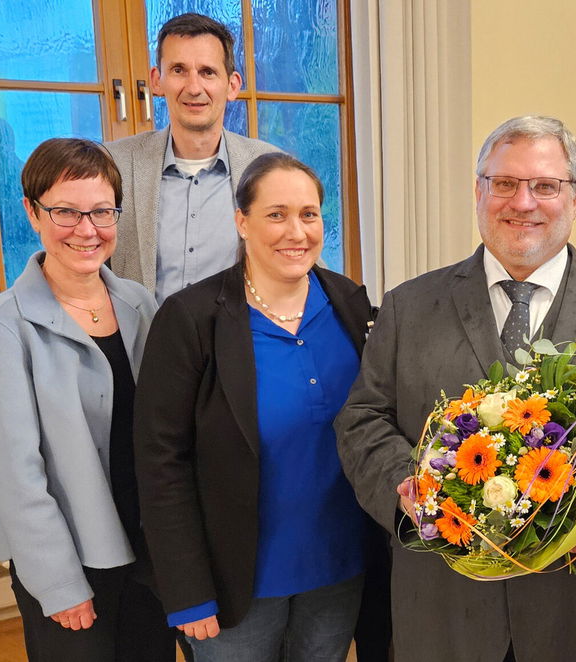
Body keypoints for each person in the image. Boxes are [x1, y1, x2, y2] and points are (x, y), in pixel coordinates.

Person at [336, 115, 576, 662]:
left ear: (575, 197)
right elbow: (363, 418)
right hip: (445, 605)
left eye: (545, 186)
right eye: (504, 183)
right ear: (478, 191)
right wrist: (407, 490)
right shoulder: (408, 307)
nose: (522, 202)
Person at [134, 152, 376, 659]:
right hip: (235, 581)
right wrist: (187, 590)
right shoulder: (190, 319)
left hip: (338, 568)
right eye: (276, 214)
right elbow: (161, 463)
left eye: (309, 214)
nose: (297, 231)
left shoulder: (350, 303)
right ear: (241, 221)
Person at [0, 138, 176, 661]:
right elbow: (14, 478)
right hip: (75, 563)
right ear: (32, 212)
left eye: (102, 212)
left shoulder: (140, 305)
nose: (87, 229)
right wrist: (58, 583)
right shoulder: (0, 331)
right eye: (66, 212)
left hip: (148, 551)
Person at [106, 12, 282, 302]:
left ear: (233, 85)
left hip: (238, 343)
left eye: (208, 72)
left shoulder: (269, 167)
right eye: (178, 70)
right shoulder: (116, 164)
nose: (194, 87)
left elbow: (301, 262)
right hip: (146, 343)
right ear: (156, 80)